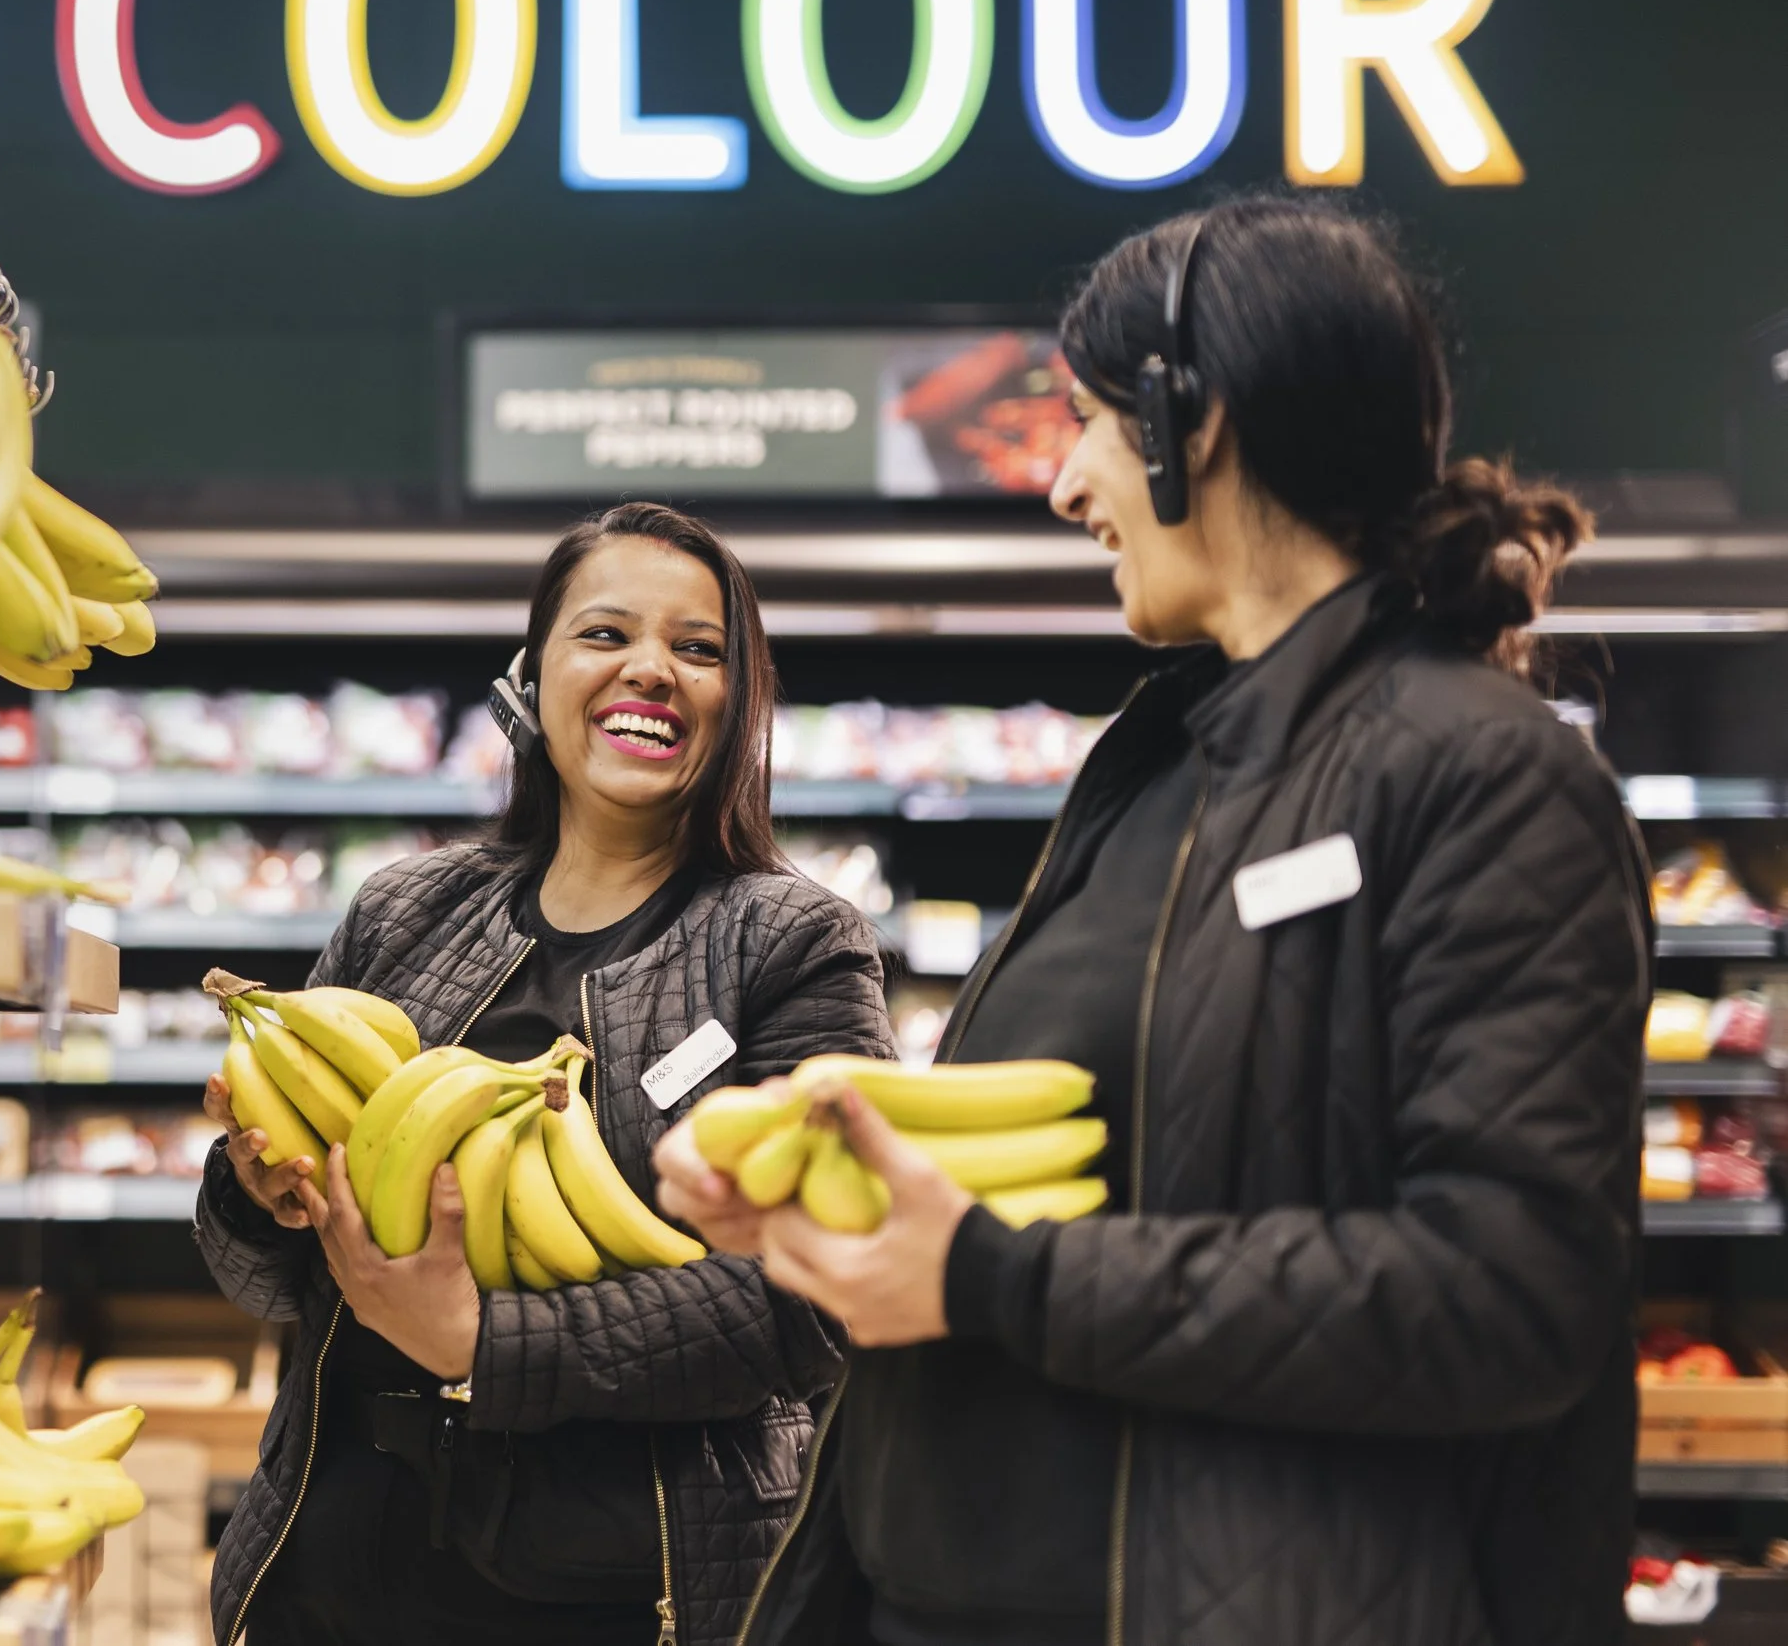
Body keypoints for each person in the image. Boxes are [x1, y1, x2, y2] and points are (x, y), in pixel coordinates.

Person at [659, 195, 1650, 1646]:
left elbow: (1509, 1288)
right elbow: (1127, 1159)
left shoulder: (1483, 776)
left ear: (1201, 421)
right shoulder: (1166, 762)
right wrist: (838, 1182)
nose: (1065, 484)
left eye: (1091, 420)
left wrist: (993, 1272)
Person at [195, 502, 897, 1646]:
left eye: (701, 647)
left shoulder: (792, 945)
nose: (653, 669)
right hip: (338, 1572)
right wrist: (257, 1189)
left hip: (634, 1591)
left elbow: (815, 1296)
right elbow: (262, 1278)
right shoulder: (404, 912)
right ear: (532, 676)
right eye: (605, 633)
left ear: (740, 703)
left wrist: (479, 1340)